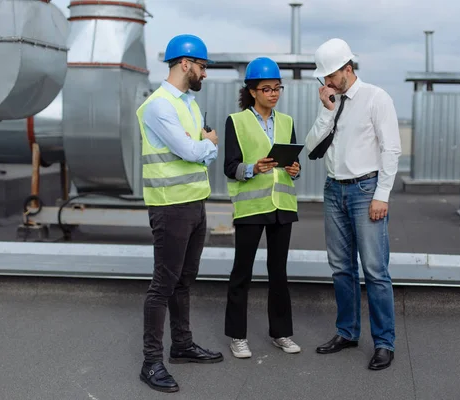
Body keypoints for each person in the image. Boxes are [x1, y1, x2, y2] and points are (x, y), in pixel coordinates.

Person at [305, 38, 402, 371]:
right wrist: (326, 110)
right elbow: (312, 146)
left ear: (348, 68)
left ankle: (384, 343)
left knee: (375, 271)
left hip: (365, 190)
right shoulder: (332, 102)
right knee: (341, 269)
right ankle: (346, 333)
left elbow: (391, 150)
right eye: (324, 78)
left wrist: (382, 195)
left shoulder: (376, 98)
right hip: (334, 190)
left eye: (330, 75)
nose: (326, 82)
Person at [135, 34, 224, 393]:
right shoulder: (159, 105)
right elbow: (192, 149)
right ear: (185, 64)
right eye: (202, 67)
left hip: (195, 203)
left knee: (185, 280)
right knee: (163, 285)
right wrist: (209, 143)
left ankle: (182, 346)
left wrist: (205, 148)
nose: (205, 73)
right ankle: (151, 362)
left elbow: (202, 153)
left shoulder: (188, 103)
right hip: (170, 207)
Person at [223, 57, 302, 359]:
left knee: (278, 273)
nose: (273, 93)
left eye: (277, 88)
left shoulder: (287, 122)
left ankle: (281, 333)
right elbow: (230, 168)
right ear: (252, 91)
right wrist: (254, 168)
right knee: (242, 273)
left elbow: (293, 164)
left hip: (282, 206)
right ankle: (237, 336)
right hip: (251, 208)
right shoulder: (237, 121)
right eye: (267, 89)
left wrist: (295, 171)